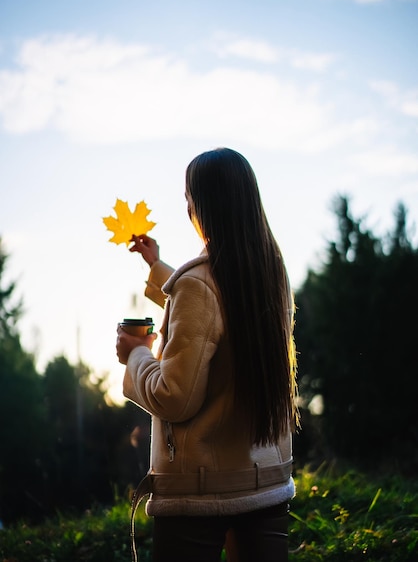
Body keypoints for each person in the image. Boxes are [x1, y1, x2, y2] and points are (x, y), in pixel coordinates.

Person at [116, 148, 299, 562]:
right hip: (265, 484)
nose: (187, 208)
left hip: (202, 494)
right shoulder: (271, 271)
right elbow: (221, 312)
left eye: (188, 198)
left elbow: (174, 398)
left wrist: (136, 356)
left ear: (202, 206)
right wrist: (158, 266)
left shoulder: (198, 285)